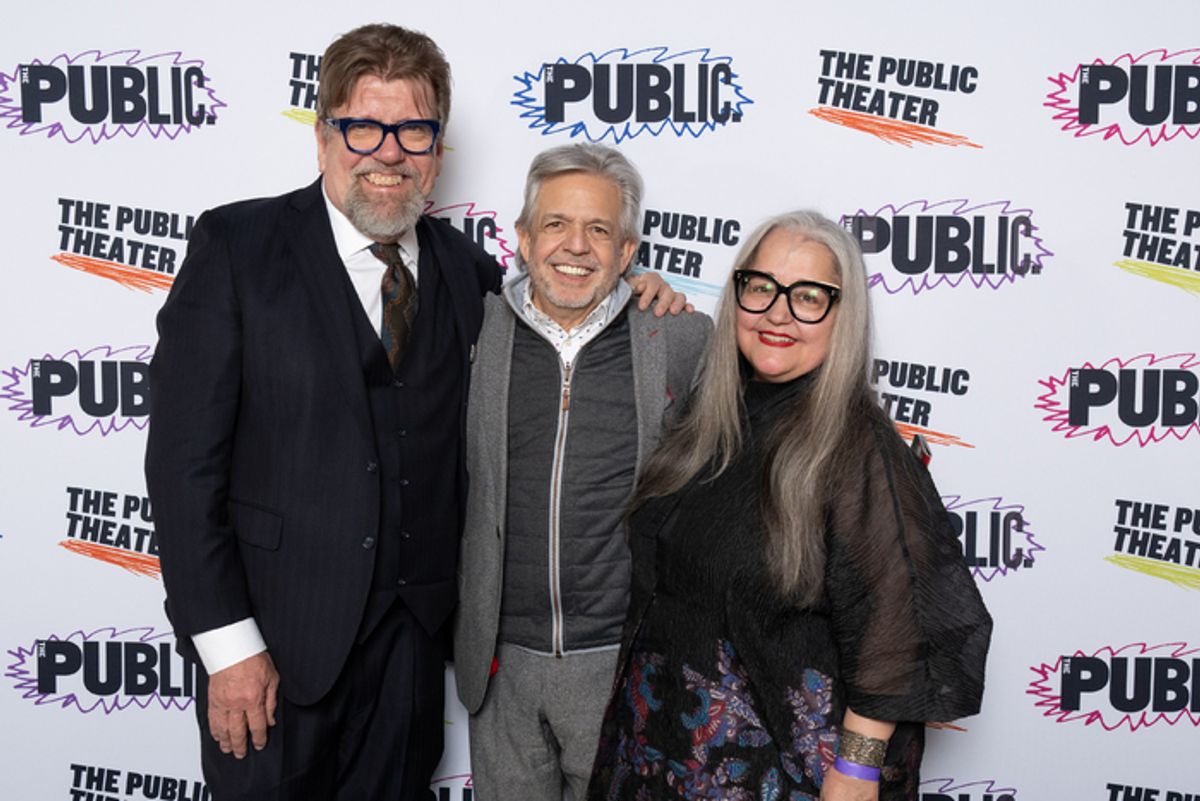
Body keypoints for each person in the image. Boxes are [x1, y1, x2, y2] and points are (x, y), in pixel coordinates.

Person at [145, 24, 678, 801]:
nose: (388, 151)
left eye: (414, 129)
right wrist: (228, 649)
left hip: (411, 655)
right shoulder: (237, 247)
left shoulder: (469, 271)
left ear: (436, 148)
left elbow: (567, 295)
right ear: (324, 136)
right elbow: (183, 468)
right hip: (273, 653)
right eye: (364, 125)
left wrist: (643, 296)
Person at [587, 211, 992, 801]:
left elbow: (900, 630)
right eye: (761, 287)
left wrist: (856, 773)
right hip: (657, 755)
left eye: (808, 297)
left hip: (777, 775)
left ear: (842, 315)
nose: (778, 313)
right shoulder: (715, 416)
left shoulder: (859, 448)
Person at [453, 143, 712, 801]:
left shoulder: (679, 337)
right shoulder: (472, 331)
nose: (576, 245)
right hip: (502, 666)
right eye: (556, 224)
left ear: (628, 252)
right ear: (522, 238)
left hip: (623, 664)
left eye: (599, 229)